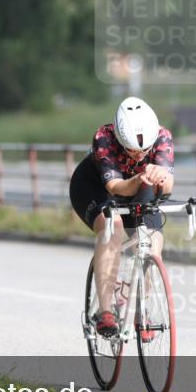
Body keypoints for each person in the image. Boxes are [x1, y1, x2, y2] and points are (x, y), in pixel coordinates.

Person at [69, 97, 174, 336]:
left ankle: (142, 310)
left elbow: (167, 187)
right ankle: (105, 312)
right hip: (96, 187)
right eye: (131, 150)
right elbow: (116, 188)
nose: (138, 156)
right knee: (112, 227)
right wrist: (137, 179)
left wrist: (161, 177)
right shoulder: (104, 138)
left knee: (151, 244)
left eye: (144, 151)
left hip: (140, 187)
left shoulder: (163, 137)